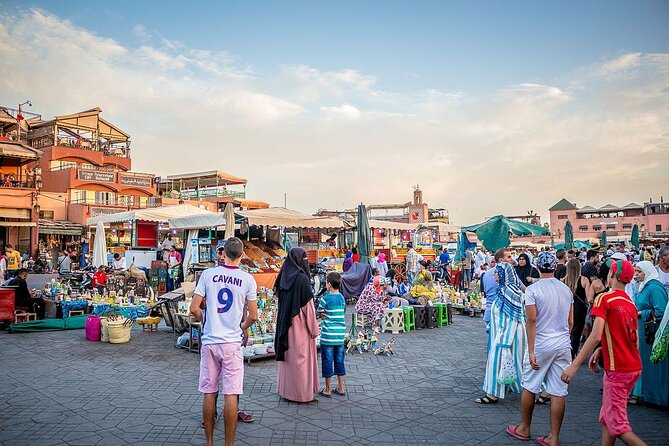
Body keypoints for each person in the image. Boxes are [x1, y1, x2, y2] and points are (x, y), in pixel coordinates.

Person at [561, 260, 647, 446]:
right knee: (610, 417)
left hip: (618, 370)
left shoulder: (604, 299)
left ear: (612, 275)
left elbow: (594, 335)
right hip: (632, 367)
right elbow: (633, 341)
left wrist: (574, 366)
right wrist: (603, 349)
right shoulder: (630, 303)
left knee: (618, 425)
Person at [190, 237, 258, 446]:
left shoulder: (208, 275)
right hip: (232, 343)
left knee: (209, 392)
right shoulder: (248, 280)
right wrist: (242, 327)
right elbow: (253, 315)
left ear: (223, 253)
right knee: (231, 394)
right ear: (242, 255)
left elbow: (194, 308)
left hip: (210, 341)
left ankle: (209, 442)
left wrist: (206, 319)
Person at [507, 252, 573, 446]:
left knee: (530, 384)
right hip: (562, 343)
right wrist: (563, 337)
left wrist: (531, 349)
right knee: (558, 390)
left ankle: (524, 428)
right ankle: (554, 437)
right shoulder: (566, 290)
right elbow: (570, 321)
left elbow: (532, 320)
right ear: (555, 267)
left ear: (537, 267)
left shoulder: (533, 290)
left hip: (542, 343)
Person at [275, 247, 320, 403]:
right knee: (301, 361)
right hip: (300, 326)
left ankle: (286, 391)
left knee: (289, 360)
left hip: (285, 325)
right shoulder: (302, 279)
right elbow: (308, 307)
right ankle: (302, 394)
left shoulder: (283, 276)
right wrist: (314, 329)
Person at [477, 261, 526, 404]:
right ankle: (494, 393)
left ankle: (541, 390)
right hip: (504, 334)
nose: (495, 274)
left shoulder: (510, 291)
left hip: (508, 336)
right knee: (510, 364)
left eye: (498, 272)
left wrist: (504, 340)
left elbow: (512, 318)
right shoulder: (504, 289)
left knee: (509, 363)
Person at [629, 261, 669, 408]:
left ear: (647, 271)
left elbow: (661, 311)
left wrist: (641, 313)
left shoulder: (654, 288)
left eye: (639, 272)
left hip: (650, 332)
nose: (636, 274)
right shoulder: (645, 286)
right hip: (643, 331)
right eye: (636, 271)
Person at [316, 271, 347, 397]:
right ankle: (341, 387)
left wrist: (323, 314)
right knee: (339, 361)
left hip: (328, 336)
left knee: (327, 361)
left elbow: (319, 312)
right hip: (340, 336)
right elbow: (343, 311)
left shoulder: (325, 299)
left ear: (328, 284)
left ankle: (327, 389)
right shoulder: (342, 298)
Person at [561, 258, 590, 359]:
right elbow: (589, 298)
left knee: (567, 330)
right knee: (577, 332)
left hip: (566, 307)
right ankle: (572, 354)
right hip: (580, 308)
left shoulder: (563, 281)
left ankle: (565, 352)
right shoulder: (584, 280)